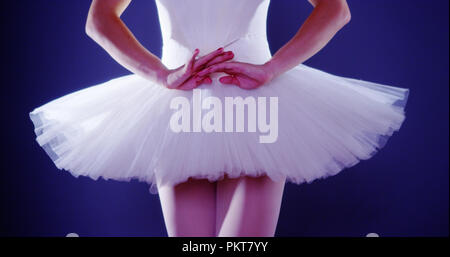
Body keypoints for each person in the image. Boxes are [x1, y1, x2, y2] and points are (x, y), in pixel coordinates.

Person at [29, 0, 409, 237]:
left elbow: (335, 9)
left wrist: (273, 68)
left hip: (254, 106)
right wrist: (161, 75)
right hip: (181, 110)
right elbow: (99, 19)